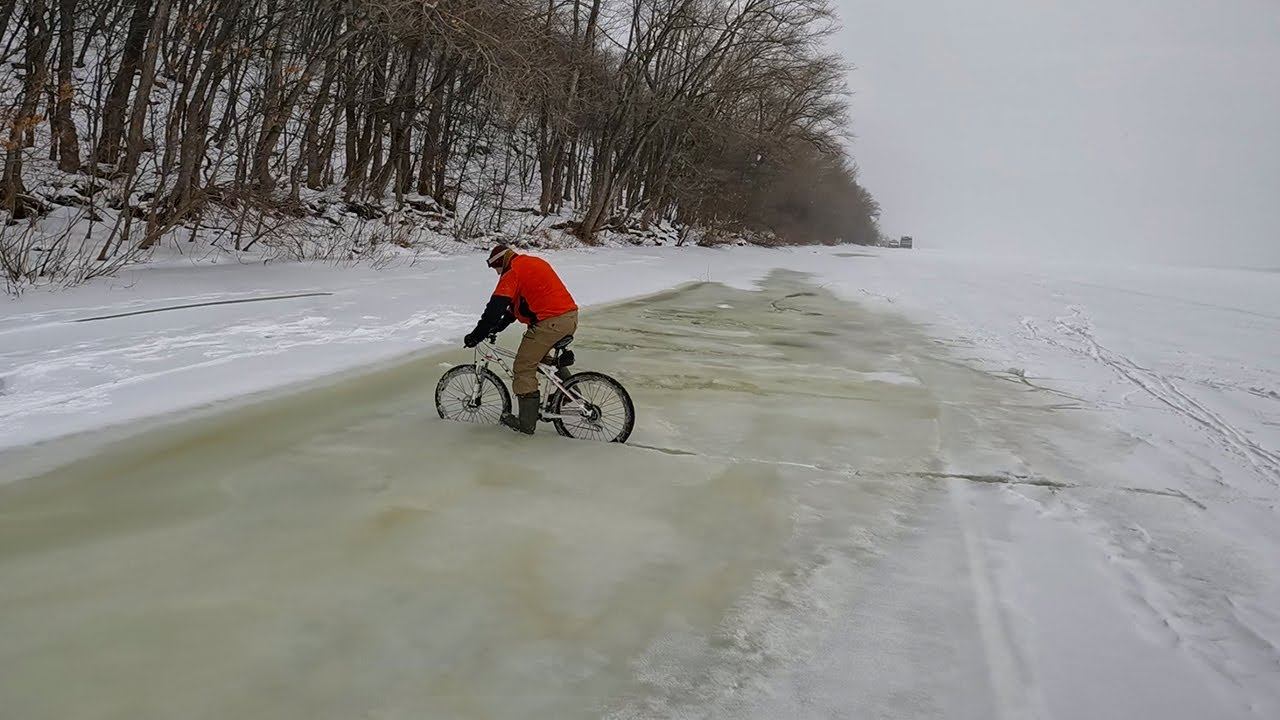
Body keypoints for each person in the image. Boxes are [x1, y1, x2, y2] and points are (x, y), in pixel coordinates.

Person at [463, 244, 578, 435]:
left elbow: (494, 309)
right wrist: (497, 327)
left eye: (495, 268)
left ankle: (526, 423)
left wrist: (477, 335)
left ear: (500, 262)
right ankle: (570, 394)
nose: (497, 273)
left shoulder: (512, 272)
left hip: (551, 322)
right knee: (542, 359)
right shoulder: (532, 263)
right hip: (569, 317)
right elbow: (516, 307)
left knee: (523, 367)